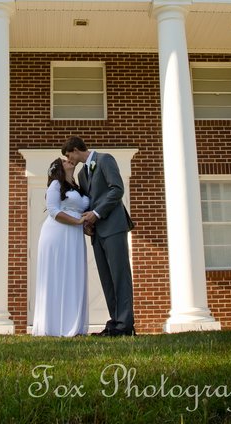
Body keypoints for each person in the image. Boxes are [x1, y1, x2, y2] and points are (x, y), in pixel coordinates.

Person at [62, 136, 135, 337]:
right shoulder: (82, 174)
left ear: (76, 150)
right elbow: (88, 201)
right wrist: (87, 222)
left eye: (69, 155)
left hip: (114, 227)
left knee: (120, 276)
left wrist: (97, 213)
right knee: (107, 279)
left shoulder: (105, 159)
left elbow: (117, 189)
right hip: (97, 232)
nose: (69, 159)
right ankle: (115, 323)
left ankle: (125, 325)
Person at [32, 156, 90, 336]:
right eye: (64, 161)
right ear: (58, 168)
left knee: (73, 274)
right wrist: (78, 221)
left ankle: (73, 324)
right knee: (57, 275)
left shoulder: (78, 187)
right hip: (57, 233)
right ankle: (54, 326)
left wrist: (85, 224)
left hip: (74, 236)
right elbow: (53, 211)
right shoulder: (55, 185)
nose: (69, 161)